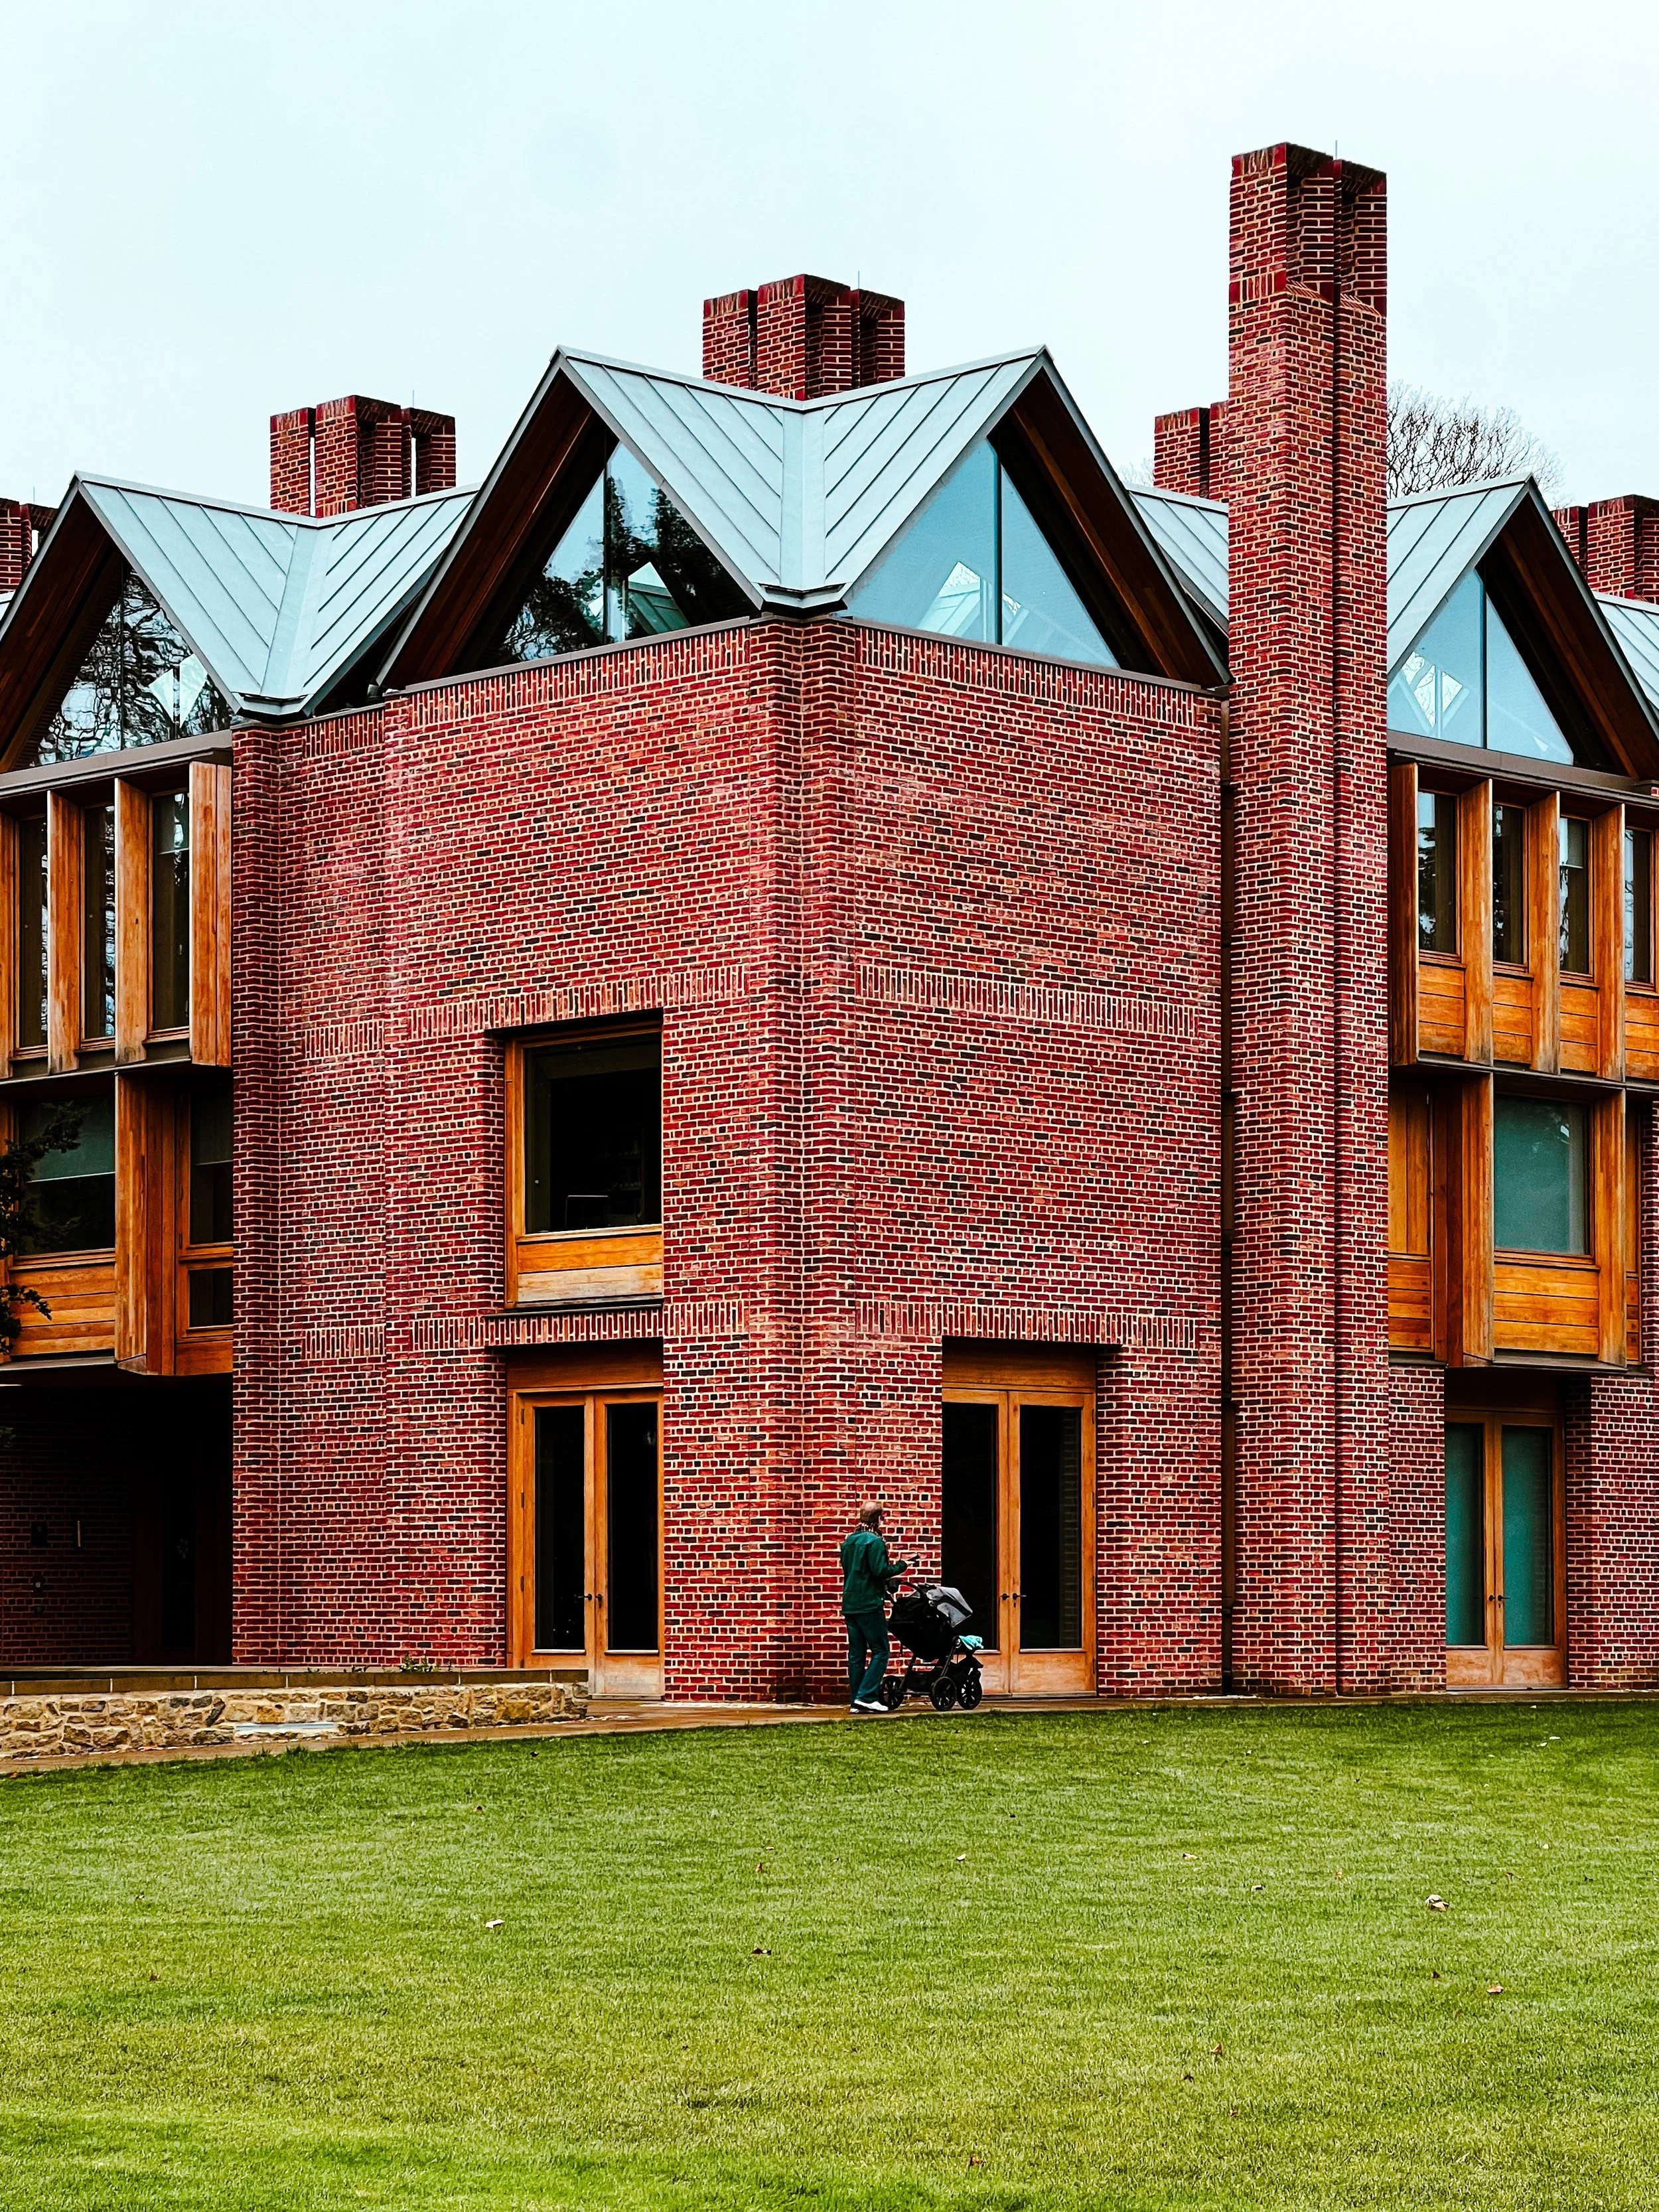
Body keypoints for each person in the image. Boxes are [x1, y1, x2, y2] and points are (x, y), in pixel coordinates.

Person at [840, 1502, 907, 1714]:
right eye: (883, 1518)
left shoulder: (849, 1541)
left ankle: (856, 1700)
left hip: (851, 1604)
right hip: (870, 1604)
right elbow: (880, 1571)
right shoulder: (875, 1542)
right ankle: (867, 1696)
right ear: (878, 1518)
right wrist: (901, 1566)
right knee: (880, 1651)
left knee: (857, 1655)